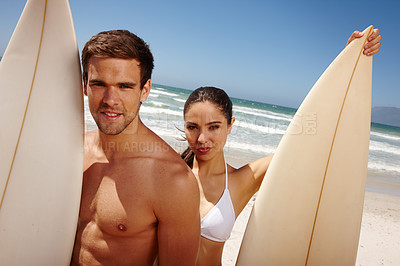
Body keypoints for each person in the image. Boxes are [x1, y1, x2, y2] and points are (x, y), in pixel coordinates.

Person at [180, 28, 382, 266]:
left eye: (213, 127)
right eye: (193, 127)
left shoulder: (242, 180)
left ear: (230, 126)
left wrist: (349, 63)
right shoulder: (169, 172)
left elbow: (313, 148)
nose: (202, 138)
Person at [71, 30, 200, 265]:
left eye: (125, 86)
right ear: (84, 86)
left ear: (145, 90)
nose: (111, 99)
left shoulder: (172, 180)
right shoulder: (69, 151)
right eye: (99, 84)